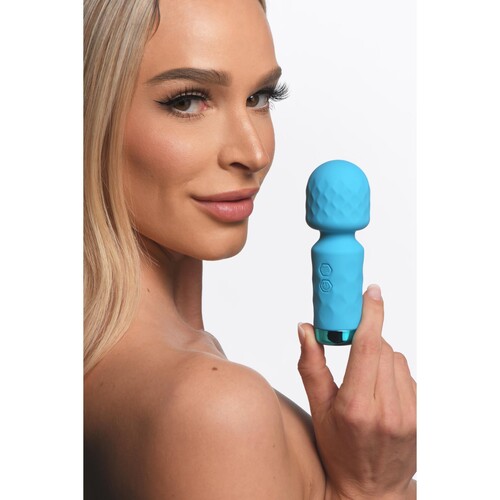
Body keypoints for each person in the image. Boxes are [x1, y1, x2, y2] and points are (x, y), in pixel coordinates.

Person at [84, 0, 417, 498]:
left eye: (260, 97)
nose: (254, 153)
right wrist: (373, 487)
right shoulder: (213, 410)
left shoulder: (133, 371)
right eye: (188, 101)